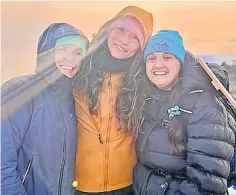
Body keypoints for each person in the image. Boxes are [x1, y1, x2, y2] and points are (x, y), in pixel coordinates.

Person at [131, 30, 236, 195]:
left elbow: (207, 182)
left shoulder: (204, 105)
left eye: (167, 57)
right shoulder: (148, 99)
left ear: (180, 63)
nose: (158, 65)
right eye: (152, 58)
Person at [72, 6, 153, 195]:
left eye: (135, 37)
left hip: (127, 185)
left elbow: (172, 71)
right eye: (121, 30)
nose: (124, 40)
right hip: (82, 185)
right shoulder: (82, 67)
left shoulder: (144, 80)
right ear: (109, 29)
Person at [1, 23, 89, 195]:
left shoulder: (75, 100)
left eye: (78, 53)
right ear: (46, 53)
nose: (70, 59)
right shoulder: (21, 90)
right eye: (62, 49)